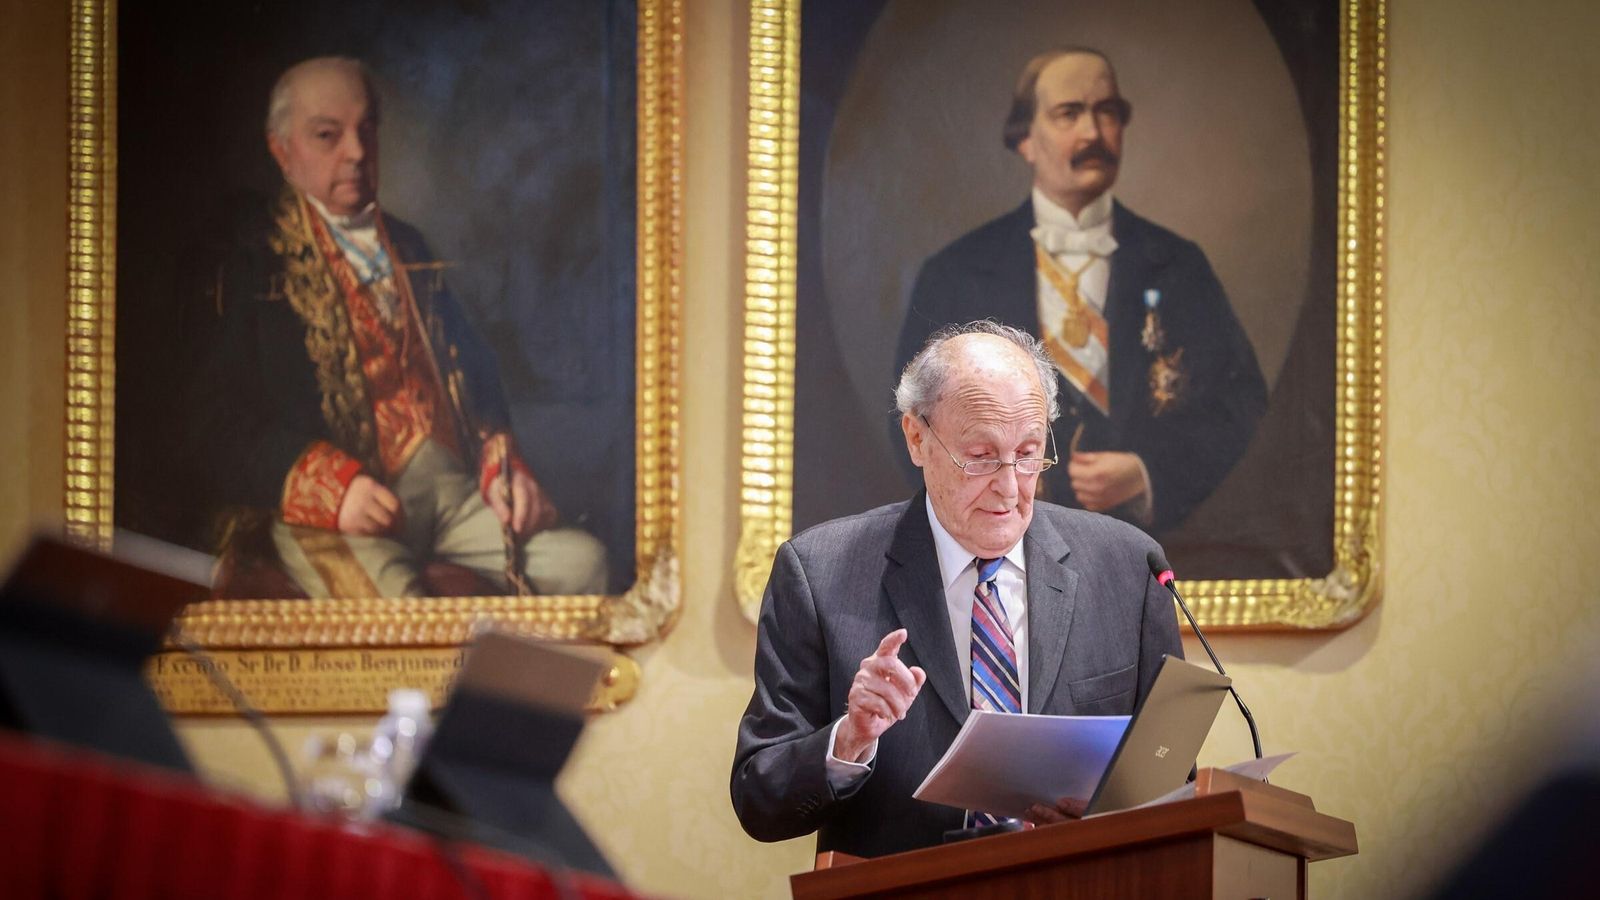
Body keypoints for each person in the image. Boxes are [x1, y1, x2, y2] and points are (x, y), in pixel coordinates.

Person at [732, 321, 1182, 858]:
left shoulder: (1130, 566)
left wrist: (1111, 812)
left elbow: (1171, 773)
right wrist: (849, 739)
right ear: (917, 438)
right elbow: (759, 799)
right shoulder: (819, 574)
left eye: (1028, 453)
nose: (1010, 486)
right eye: (982, 456)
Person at [196, 57, 606, 598]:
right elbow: (216, 420)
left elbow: (477, 372)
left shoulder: (410, 245)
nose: (358, 153)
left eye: (367, 131)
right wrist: (333, 489)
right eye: (328, 135)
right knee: (401, 615)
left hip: (454, 497)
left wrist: (502, 463)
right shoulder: (252, 263)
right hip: (335, 511)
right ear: (282, 151)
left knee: (585, 567)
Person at [893, 48, 1267, 534]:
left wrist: (1147, 472)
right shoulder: (956, 272)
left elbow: (1241, 403)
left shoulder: (1179, 265)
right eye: (1069, 113)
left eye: (1107, 112)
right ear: (1025, 138)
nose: (1092, 134)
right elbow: (912, 424)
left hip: (1143, 546)